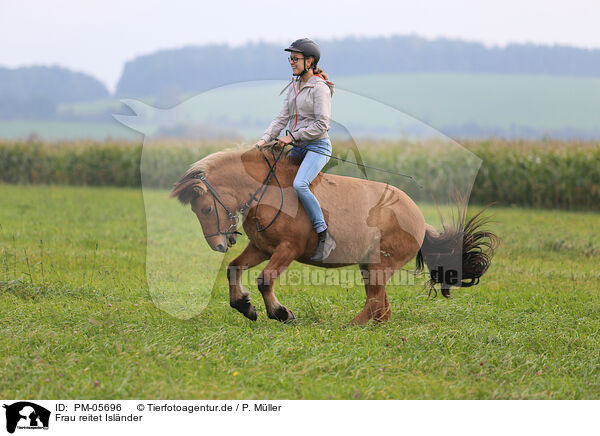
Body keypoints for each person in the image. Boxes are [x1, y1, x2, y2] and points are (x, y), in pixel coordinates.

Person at [254, 38, 336, 262]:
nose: (291, 62)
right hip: (297, 146)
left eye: (295, 59)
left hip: (317, 147)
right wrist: (263, 141)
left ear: (309, 61)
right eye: (290, 58)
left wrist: (292, 137)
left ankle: (324, 235)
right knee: (271, 177)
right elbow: (281, 118)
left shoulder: (320, 88)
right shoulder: (294, 86)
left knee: (300, 185)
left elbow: (322, 125)